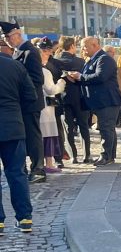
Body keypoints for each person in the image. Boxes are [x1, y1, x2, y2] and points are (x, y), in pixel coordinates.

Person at [65, 36, 121, 166]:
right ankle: (109, 156)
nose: (83, 49)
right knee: (108, 129)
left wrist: (80, 77)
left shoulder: (104, 59)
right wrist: (76, 78)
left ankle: (106, 156)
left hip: (107, 101)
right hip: (100, 101)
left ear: (95, 45)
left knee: (106, 128)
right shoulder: (92, 59)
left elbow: (100, 77)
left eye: (85, 46)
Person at [1, 21, 46, 183]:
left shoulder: (30, 51)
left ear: (17, 34)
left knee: (33, 136)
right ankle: (30, 167)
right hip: (22, 103)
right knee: (26, 136)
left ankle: (38, 168)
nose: (6, 40)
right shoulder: (18, 52)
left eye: (8, 36)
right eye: (4, 37)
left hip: (30, 102)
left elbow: (37, 79)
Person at [0, 31, 36, 233]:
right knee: (17, 173)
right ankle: (24, 218)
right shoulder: (15, 66)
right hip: (13, 124)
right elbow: (31, 96)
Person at [52, 36, 92, 163]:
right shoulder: (80, 62)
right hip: (80, 98)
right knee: (83, 127)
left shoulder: (55, 61)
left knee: (68, 128)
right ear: (73, 46)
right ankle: (87, 155)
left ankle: (73, 156)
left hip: (63, 98)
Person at [37, 39, 67, 174]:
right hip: (46, 108)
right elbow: (51, 89)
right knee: (48, 136)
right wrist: (61, 83)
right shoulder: (44, 72)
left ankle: (40, 164)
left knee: (40, 136)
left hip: (36, 108)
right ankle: (48, 163)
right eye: (47, 54)